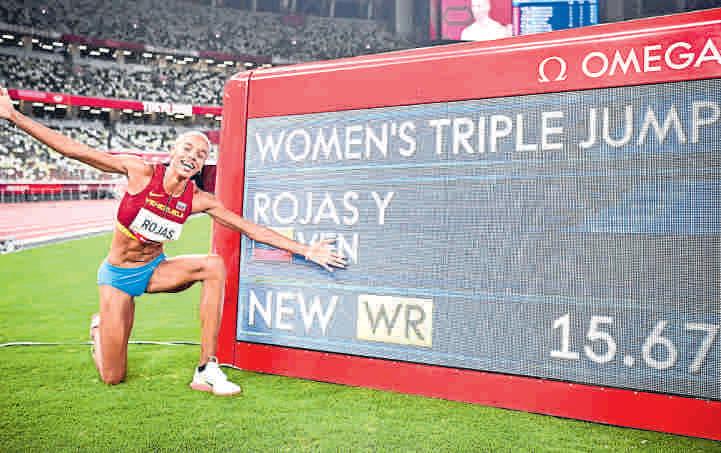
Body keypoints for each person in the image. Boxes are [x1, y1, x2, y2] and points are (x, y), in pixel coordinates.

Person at [0, 86, 346, 396]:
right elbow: (76, 151)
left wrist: (306, 250)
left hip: (155, 271)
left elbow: (251, 228)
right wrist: (15, 116)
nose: (192, 155)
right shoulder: (140, 173)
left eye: (200, 154)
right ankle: (99, 330)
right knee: (113, 377)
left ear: (201, 165)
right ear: (173, 150)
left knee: (213, 266)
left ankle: (206, 368)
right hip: (118, 277)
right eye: (187, 148)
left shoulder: (198, 200)